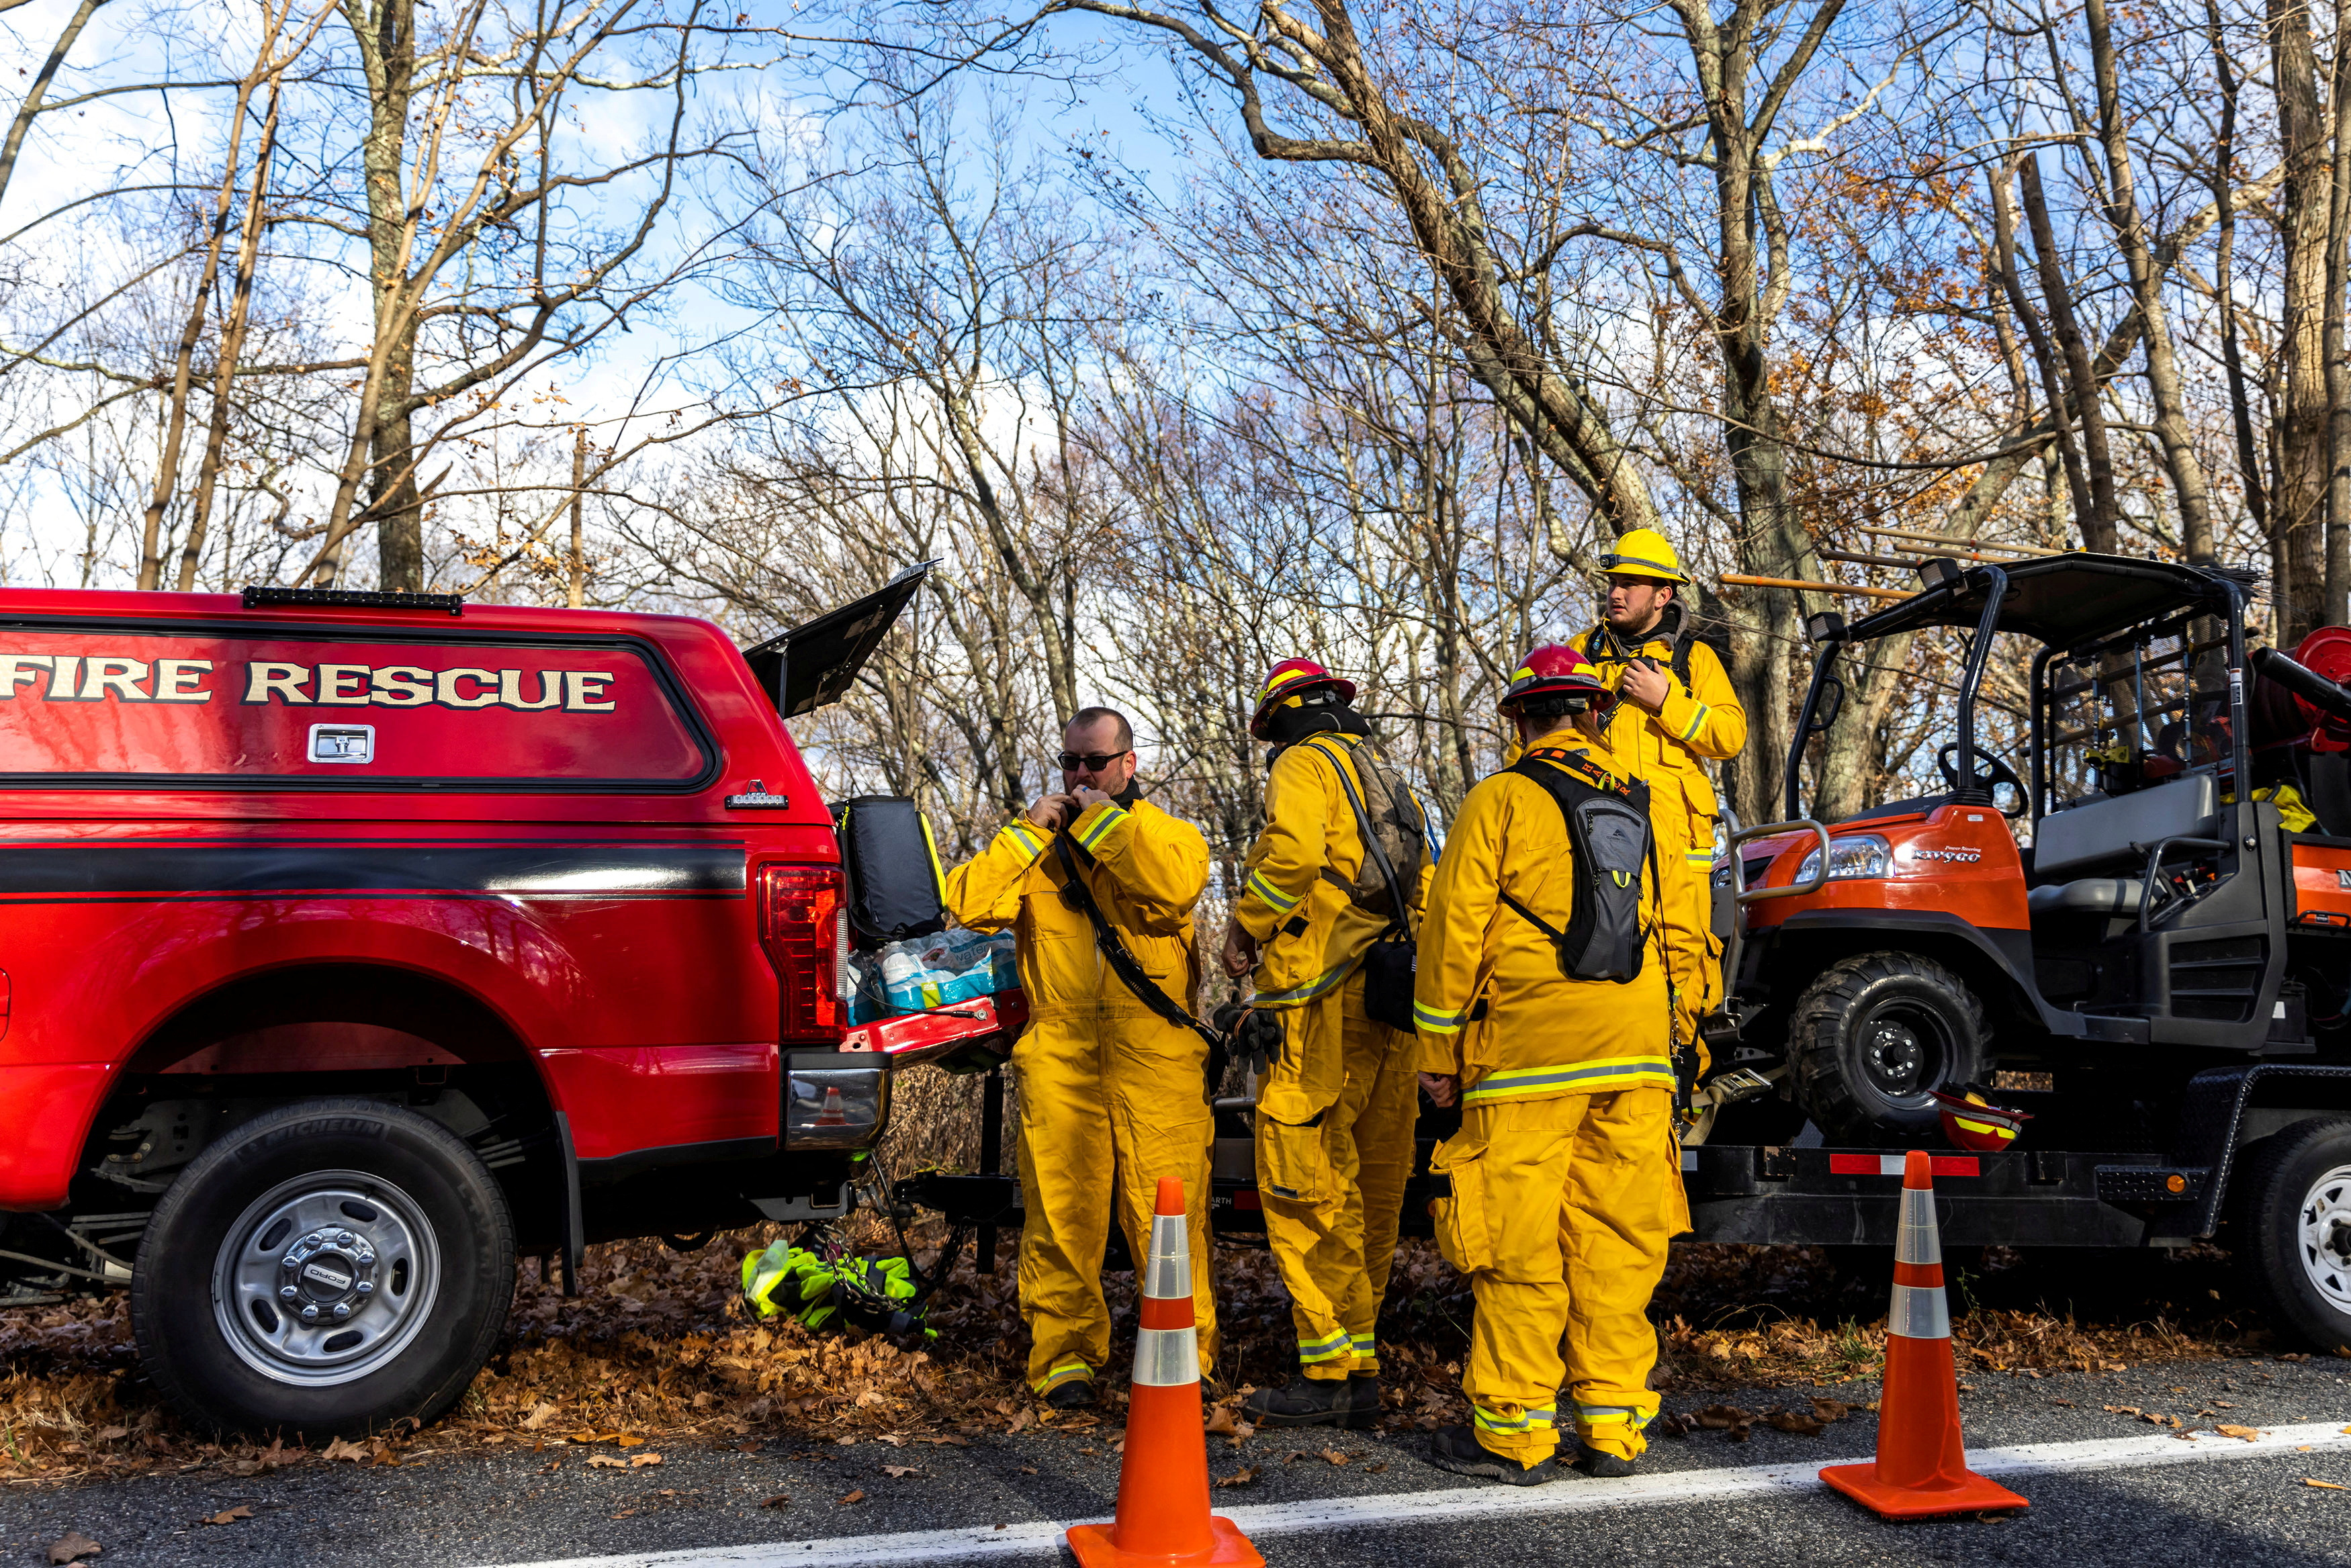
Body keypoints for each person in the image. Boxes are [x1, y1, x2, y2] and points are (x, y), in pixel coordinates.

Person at [1414, 644, 1687, 1485]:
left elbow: (1451, 932)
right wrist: (1676, 1040)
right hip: (1635, 1054)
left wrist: (1436, 1052)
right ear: (1593, 715)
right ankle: (1612, 1427)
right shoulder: (1641, 801)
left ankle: (1513, 1434)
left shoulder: (1498, 797)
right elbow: (1676, 932)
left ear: (1519, 721)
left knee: (1517, 1246)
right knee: (1617, 1242)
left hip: (1527, 1055)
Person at [943, 706, 1218, 1408]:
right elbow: (967, 902)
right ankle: (1064, 1357)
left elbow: (1172, 888)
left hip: (1155, 1050)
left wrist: (1101, 823)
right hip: (1061, 1052)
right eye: (1069, 762)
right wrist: (1025, 832)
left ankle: (1185, 1358)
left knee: (1169, 1218)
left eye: (1094, 762)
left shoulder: (1167, 835)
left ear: (1129, 763)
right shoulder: (1040, 847)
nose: (1079, 774)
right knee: (1061, 1214)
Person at [1221, 659, 1428, 1430]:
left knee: (1304, 1181)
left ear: (1276, 720)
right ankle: (1356, 1361)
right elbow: (1424, 885)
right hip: (1387, 1002)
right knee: (1372, 1188)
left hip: (1318, 1002)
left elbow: (1292, 857)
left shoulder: (1303, 765)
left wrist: (1246, 925)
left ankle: (1330, 1368)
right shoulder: (1386, 778)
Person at [1576, 528, 1747, 1052]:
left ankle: (1682, 1074)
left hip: (1679, 850)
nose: (1616, 592)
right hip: (1597, 842)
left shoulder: (1694, 659)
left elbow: (1731, 735)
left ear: (1663, 595)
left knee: (1682, 960)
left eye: (1630, 584)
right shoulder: (1580, 654)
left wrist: (1667, 701)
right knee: (1596, 954)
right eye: (1613, 582)